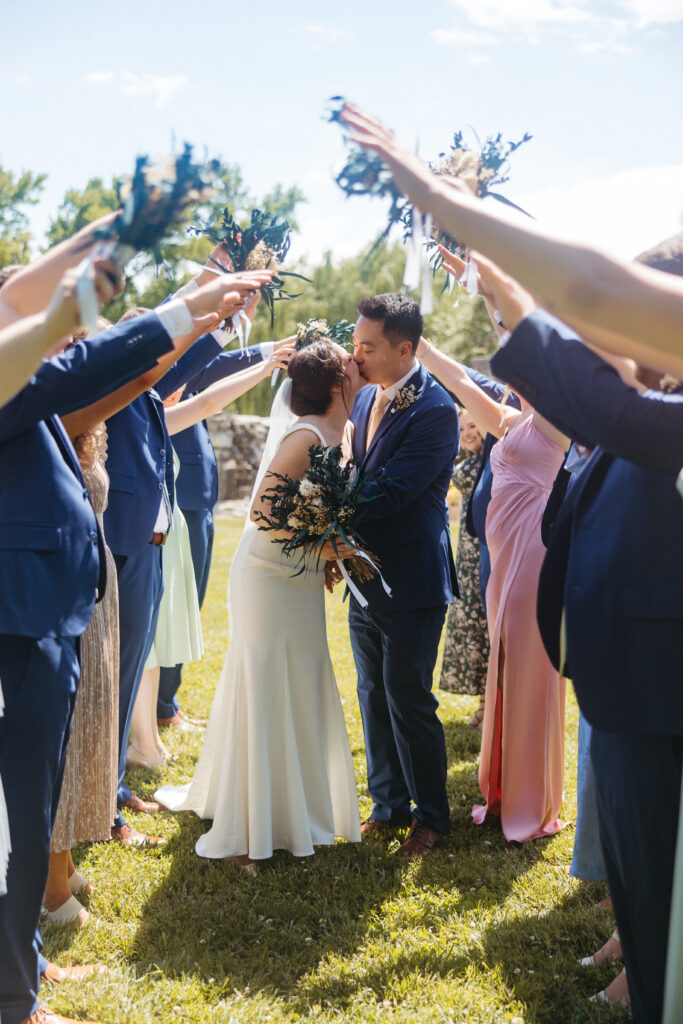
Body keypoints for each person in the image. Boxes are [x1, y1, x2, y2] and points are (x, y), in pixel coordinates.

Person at [0, 261, 204, 1024]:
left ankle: (23, 969)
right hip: (19, 620)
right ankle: (14, 994)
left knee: (24, 812)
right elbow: (87, 368)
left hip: (40, 617)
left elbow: (88, 384)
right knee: (19, 813)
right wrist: (182, 315)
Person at [483, 256, 683, 1023]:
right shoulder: (641, 405)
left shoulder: (646, 416)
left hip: (656, 690)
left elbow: (612, 419)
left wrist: (516, 301)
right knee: (642, 885)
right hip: (625, 686)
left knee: (659, 889)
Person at [156, 339, 363, 868]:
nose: (360, 366)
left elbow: (319, 507)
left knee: (299, 680)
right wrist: (321, 543)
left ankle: (298, 810)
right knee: (267, 682)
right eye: (352, 362)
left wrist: (327, 551)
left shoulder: (346, 433)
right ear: (338, 384)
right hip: (267, 575)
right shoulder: (307, 434)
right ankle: (250, 830)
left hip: (298, 576)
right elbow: (264, 511)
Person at [338, 104, 683, 378]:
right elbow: (561, 325)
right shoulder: (637, 392)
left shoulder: (648, 417)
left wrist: (452, 207)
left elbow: (589, 290)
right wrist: (489, 283)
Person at [418, 336, 569, 842]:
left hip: (534, 557)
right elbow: (460, 381)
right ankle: (503, 789)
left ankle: (533, 801)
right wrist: (421, 347)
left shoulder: (557, 423)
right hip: (501, 563)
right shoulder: (510, 422)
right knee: (504, 668)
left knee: (530, 671)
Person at [128, 345, 293, 768]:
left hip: (161, 538)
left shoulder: (154, 416)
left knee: (152, 641)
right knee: (142, 647)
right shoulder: (131, 416)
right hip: (137, 542)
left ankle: (148, 738)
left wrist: (264, 367)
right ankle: (140, 741)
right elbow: (205, 398)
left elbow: (207, 401)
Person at [345, 293, 459, 858]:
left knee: (407, 697)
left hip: (411, 580)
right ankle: (387, 806)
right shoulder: (366, 394)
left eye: (367, 346)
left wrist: (323, 509)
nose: (356, 354)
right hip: (362, 575)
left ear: (404, 348)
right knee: (371, 691)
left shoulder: (436, 410)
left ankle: (431, 819)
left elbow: (392, 492)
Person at [439, 410, 490, 728]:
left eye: (473, 425)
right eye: (462, 429)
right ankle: (485, 701)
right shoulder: (470, 459)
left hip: (485, 548)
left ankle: (491, 704)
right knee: (474, 623)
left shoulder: (493, 455)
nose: (468, 433)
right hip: (468, 552)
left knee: (486, 622)